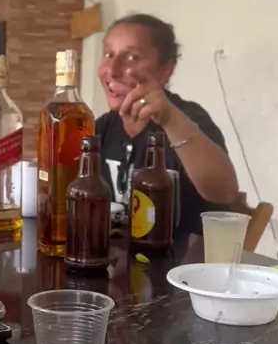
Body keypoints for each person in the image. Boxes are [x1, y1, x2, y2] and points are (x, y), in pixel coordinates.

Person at [96, 14, 238, 236]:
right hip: (123, 255)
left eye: (132, 57)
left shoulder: (188, 119)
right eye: (109, 54)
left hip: (185, 256)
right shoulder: (103, 127)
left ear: (165, 70)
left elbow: (224, 193)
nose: (112, 70)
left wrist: (170, 118)